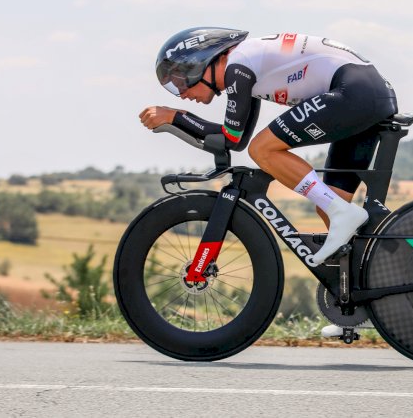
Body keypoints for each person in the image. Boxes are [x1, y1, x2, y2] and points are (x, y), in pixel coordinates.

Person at [139, 27, 398, 335]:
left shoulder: (238, 67)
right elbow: (232, 139)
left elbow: (234, 138)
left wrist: (175, 117)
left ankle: (345, 214)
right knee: (329, 207)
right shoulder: (247, 68)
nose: (182, 93)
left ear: (201, 64)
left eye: (180, 81)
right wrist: (176, 119)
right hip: (363, 92)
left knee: (263, 149)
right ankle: (368, 303)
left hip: (355, 92)